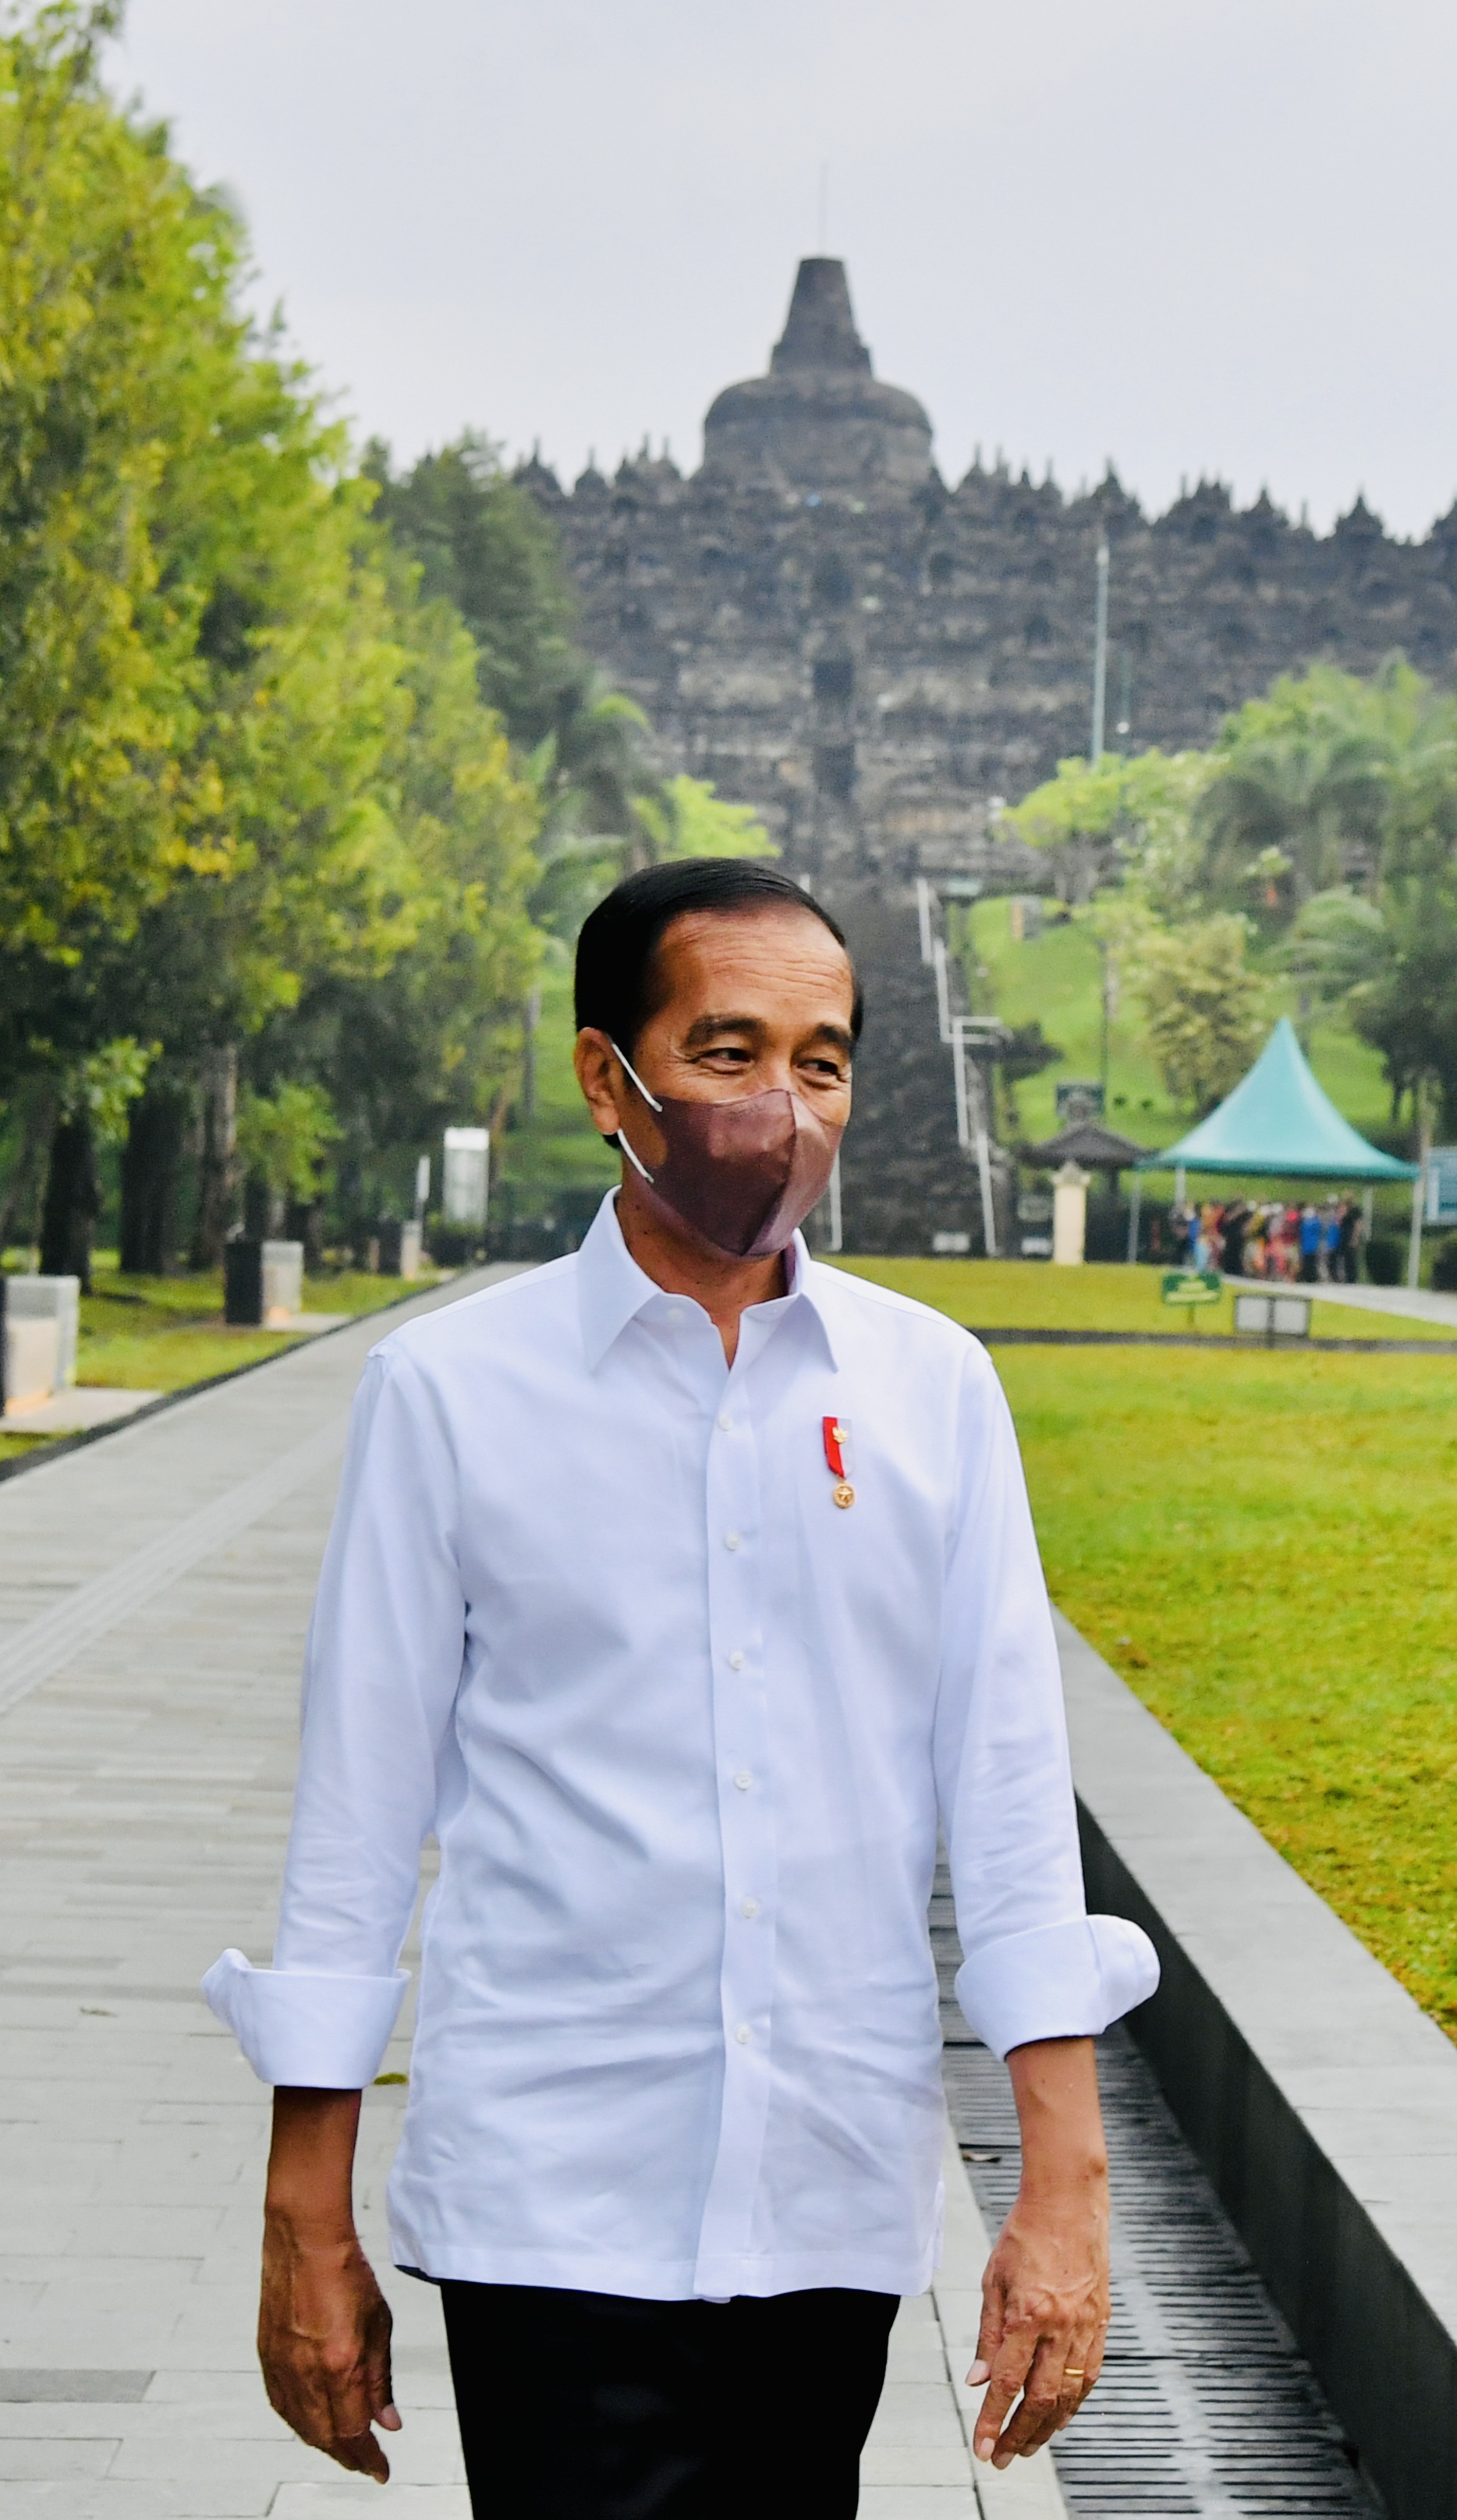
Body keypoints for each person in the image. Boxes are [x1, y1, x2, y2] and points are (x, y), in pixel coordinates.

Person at [204, 859, 1157, 2517]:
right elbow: (356, 1822)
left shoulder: (932, 1393)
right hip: (549, 2196)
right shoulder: (450, 1393)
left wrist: (1061, 2189)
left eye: (824, 1059)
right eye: (726, 1052)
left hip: (828, 2189)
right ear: (608, 1078)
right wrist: (308, 2208)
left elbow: (1006, 1797)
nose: (780, 1106)